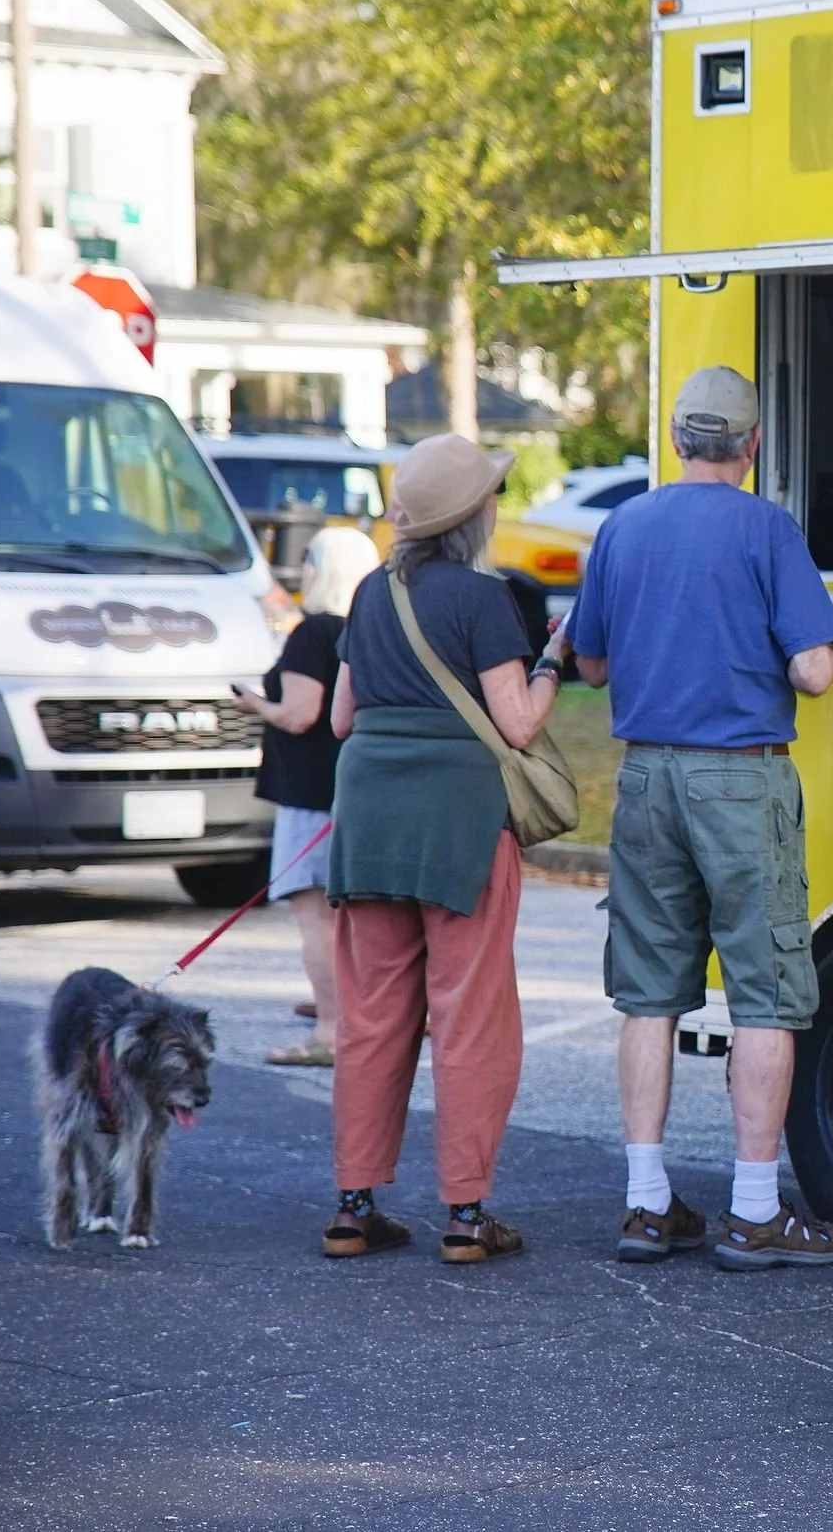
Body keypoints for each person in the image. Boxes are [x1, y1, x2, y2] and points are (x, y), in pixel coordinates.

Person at [556, 365, 833, 1271]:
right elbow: (814, 673)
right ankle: (755, 1210)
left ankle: (647, 1206)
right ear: (752, 445)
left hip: (645, 781)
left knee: (647, 992)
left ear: (679, 440)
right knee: (764, 991)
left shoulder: (623, 525)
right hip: (740, 781)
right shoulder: (767, 528)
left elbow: (592, 666)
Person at [317, 434, 568, 1264]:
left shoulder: (367, 594)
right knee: (470, 1017)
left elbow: (342, 720)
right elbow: (518, 724)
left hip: (369, 823)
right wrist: (553, 663)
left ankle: (354, 1206)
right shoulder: (483, 598)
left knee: (373, 1017)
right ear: (474, 516)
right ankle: (466, 1214)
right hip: (460, 824)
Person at [234, 525, 381, 1068]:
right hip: (355, 789)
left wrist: (255, 704)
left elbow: (300, 714)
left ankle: (331, 1030)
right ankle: (345, 1007)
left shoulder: (312, 633)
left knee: (313, 914)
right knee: (350, 917)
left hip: (309, 794)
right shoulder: (368, 627)